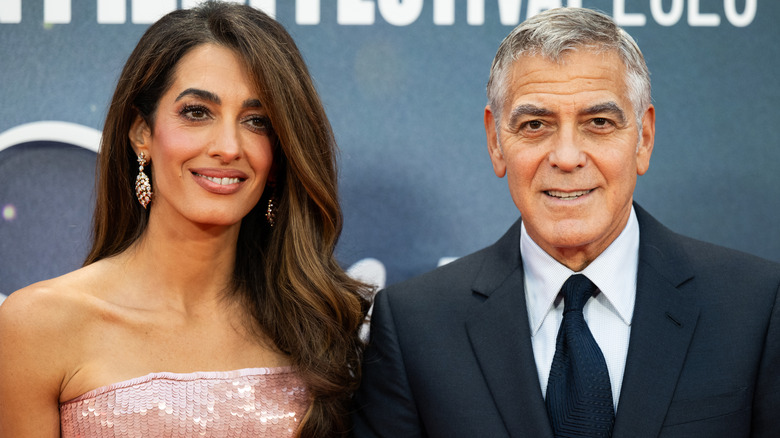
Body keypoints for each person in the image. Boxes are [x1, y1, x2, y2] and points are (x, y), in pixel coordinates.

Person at [353, 7, 779, 438]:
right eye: (535, 124)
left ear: (644, 138)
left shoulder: (755, 307)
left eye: (599, 122)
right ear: (496, 141)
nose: (567, 157)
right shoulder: (415, 325)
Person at [0, 2, 370, 437]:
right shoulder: (39, 325)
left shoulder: (319, 326)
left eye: (257, 121)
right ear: (142, 133)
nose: (228, 146)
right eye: (197, 112)